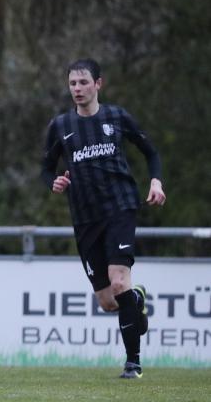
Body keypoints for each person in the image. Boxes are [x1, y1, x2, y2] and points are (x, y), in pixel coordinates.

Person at [41, 58, 165, 379]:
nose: (78, 89)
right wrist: (53, 182)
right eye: (72, 84)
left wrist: (156, 181)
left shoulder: (116, 117)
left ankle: (133, 364)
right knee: (110, 301)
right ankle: (136, 299)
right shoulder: (61, 126)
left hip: (120, 208)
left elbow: (151, 152)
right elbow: (45, 167)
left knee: (120, 280)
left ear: (98, 84)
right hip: (85, 218)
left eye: (84, 82)